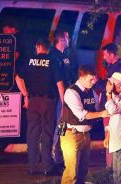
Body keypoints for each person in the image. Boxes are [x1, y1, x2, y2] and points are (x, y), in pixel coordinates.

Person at [58, 65, 108, 184]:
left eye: (95, 79)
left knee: (83, 169)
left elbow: (96, 109)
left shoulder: (91, 92)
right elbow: (82, 114)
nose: (93, 82)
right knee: (71, 169)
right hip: (70, 133)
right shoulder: (71, 92)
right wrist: (101, 114)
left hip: (86, 133)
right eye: (91, 79)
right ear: (82, 77)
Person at [15, 38, 65, 176]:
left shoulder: (29, 61)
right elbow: (60, 84)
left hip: (32, 101)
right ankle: (48, 166)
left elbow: (18, 78)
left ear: (38, 46)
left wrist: (25, 94)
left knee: (32, 133)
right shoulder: (54, 61)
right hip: (48, 102)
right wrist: (64, 104)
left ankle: (32, 166)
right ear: (48, 48)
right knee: (48, 133)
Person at [49, 29, 76, 168]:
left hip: (68, 94)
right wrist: (64, 100)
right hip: (61, 97)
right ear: (61, 40)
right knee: (61, 124)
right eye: (67, 37)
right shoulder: (54, 56)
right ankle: (55, 154)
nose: (69, 40)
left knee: (65, 124)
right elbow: (58, 80)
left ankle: (60, 153)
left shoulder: (65, 55)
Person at [100, 43, 121, 168]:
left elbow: (110, 89)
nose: (104, 58)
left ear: (112, 54)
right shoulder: (115, 67)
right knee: (109, 135)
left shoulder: (118, 70)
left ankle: (111, 167)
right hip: (111, 106)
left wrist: (96, 82)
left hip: (112, 108)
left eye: (105, 55)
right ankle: (111, 166)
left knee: (110, 135)